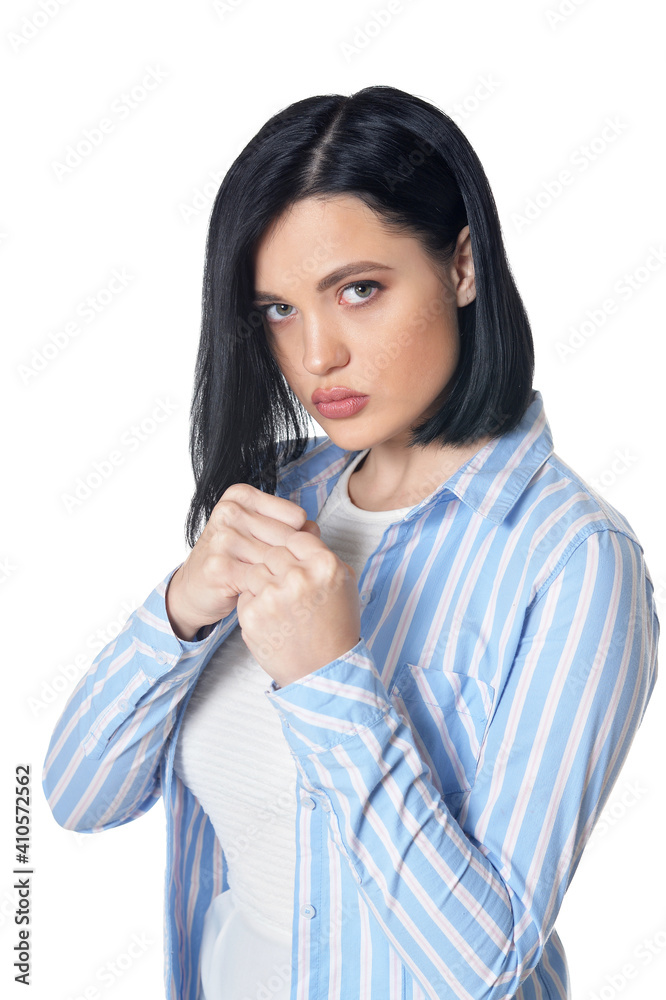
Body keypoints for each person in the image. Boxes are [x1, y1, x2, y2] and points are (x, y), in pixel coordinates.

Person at [42, 84, 659, 1000]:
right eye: (278, 310)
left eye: (358, 290)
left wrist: (328, 677)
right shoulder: (278, 499)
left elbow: (483, 969)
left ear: (461, 266)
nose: (315, 354)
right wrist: (179, 608)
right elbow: (79, 800)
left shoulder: (573, 561)